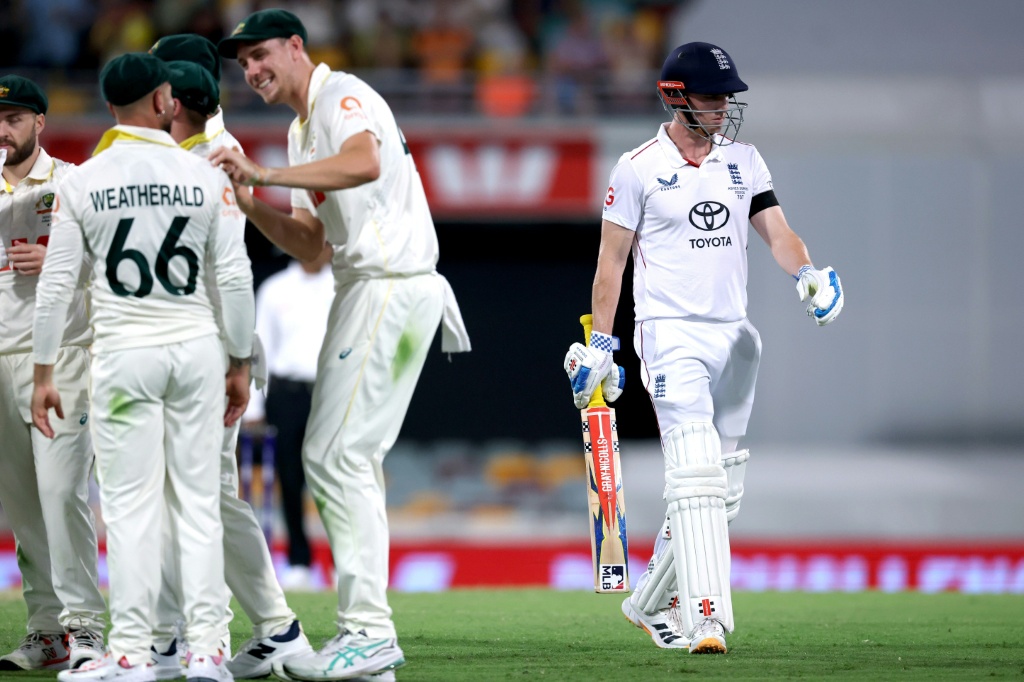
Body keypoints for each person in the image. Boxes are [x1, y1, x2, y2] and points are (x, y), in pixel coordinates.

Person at [211, 9, 471, 680]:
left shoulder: (341, 95)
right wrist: (248, 199)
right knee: (346, 456)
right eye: (242, 63)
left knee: (333, 454)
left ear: (297, 47)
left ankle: (369, 632)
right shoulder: (303, 129)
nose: (252, 70)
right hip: (367, 285)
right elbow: (310, 244)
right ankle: (371, 657)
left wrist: (261, 174)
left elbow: (364, 160)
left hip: (389, 285)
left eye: (262, 54)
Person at [563, 42, 844, 654]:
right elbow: (610, 264)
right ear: (675, 96)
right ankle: (707, 618)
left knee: (722, 488)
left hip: (733, 337)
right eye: (713, 97)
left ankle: (645, 602)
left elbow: (778, 231)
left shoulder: (744, 161)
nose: (724, 108)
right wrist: (604, 346)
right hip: (670, 334)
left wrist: (808, 274)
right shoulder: (637, 167)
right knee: (692, 472)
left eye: (727, 97)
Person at [30, 52, 254, 682]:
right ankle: (208, 651)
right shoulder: (205, 176)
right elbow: (233, 279)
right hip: (196, 351)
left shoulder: (83, 181)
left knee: (129, 509)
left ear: (110, 109)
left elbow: (55, 286)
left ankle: (131, 652)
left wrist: (44, 373)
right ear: (164, 102)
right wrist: (240, 359)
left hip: (123, 357)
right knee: (198, 504)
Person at [150, 35, 314, 680]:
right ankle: (270, 628)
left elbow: (228, 270)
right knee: (203, 498)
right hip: (205, 345)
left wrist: (235, 356)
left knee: (195, 497)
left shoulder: (211, 153)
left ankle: (191, 638)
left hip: (212, 348)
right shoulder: (195, 144)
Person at [0, 74, 106, 672]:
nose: (2, 129)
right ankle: (46, 632)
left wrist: (60, 259)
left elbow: (113, 266)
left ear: (40, 122)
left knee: (62, 494)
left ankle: (86, 628)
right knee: (22, 506)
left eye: (14, 117)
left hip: (61, 358)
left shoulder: (73, 183)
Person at [243, 244, 335, 591]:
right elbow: (260, 345)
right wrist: (254, 406)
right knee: (291, 479)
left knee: (334, 481)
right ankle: (299, 561)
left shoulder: (343, 286)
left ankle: (344, 565)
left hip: (331, 391)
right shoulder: (276, 289)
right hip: (287, 393)